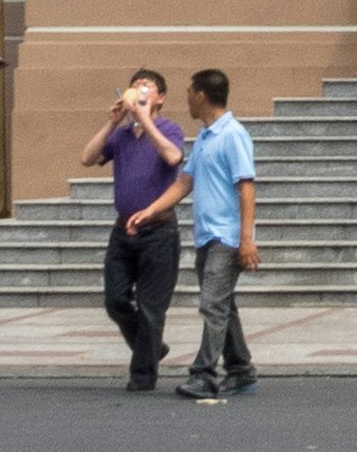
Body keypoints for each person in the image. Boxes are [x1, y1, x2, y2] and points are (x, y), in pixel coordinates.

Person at [81, 68, 188, 391]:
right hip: (123, 230)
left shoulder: (169, 128)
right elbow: (87, 158)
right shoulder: (122, 134)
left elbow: (173, 157)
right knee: (115, 299)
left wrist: (147, 121)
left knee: (152, 307)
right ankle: (152, 347)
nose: (140, 89)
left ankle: (142, 377)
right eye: (135, 85)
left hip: (159, 231)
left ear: (160, 98)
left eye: (148, 86)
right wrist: (113, 121)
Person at [172, 66, 260, 400]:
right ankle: (241, 370)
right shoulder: (206, 138)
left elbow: (246, 187)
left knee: (212, 305)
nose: (188, 100)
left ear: (202, 95)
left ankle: (204, 374)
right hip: (207, 235)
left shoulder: (233, 134)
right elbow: (185, 181)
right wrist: (152, 210)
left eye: (190, 93)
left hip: (227, 237)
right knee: (223, 306)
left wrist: (246, 239)